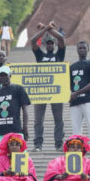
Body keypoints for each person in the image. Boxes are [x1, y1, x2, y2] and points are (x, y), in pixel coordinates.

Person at [30, 21, 66, 152]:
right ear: (45, 44)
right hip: (41, 90)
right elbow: (33, 41)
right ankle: (38, 144)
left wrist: (49, 30)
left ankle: (59, 144)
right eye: (48, 43)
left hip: (56, 91)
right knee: (38, 120)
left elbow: (61, 39)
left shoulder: (59, 55)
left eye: (52, 43)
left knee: (59, 120)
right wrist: (46, 28)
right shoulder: (40, 55)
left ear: (54, 45)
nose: (50, 45)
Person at [0, 66, 31, 155]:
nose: (3, 78)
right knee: (1, 159)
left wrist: (25, 128)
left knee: (20, 158)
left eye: (5, 75)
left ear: (10, 75)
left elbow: (25, 109)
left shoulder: (19, 89)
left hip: (15, 129)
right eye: (1, 76)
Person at [70, 41, 90, 155]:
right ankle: (77, 148)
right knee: (75, 127)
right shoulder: (72, 67)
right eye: (80, 48)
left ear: (88, 49)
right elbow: (68, 84)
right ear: (77, 50)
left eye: (84, 48)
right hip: (75, 102)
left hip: (88, 100)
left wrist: (77, 93)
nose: (82, 50)